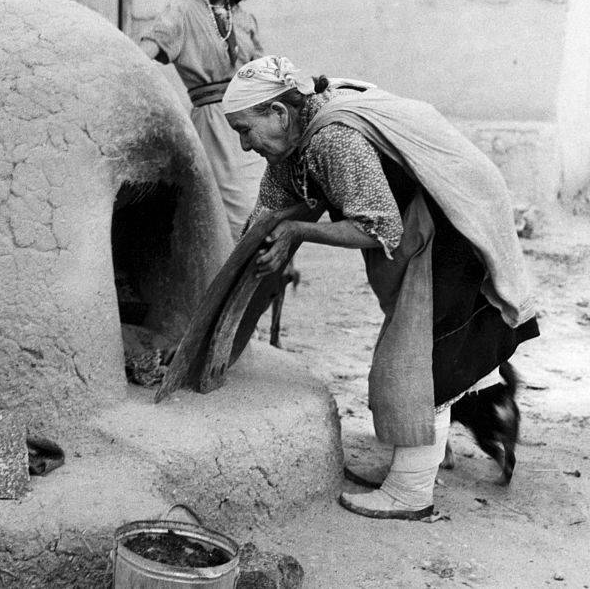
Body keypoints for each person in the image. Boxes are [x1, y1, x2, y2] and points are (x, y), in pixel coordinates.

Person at [221, 55, 540, 520]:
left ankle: (411, 494)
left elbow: (381, 230)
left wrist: (299, 233)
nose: (246, 146)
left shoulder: (331, 138)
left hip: (449, 232)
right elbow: (262, 221)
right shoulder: (296, 141)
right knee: (430, 354)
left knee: (413, 362)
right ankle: (422, 465)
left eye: (245, 131)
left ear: (279, 113)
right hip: (427, 230)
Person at [139, 0, 266, 239]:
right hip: (213, 123)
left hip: (252, 121)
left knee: (262, 206)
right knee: (233, 213)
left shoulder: (243, 16)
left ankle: (266, 287)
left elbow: (263, 68)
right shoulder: (182, 10)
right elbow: (145, 52)